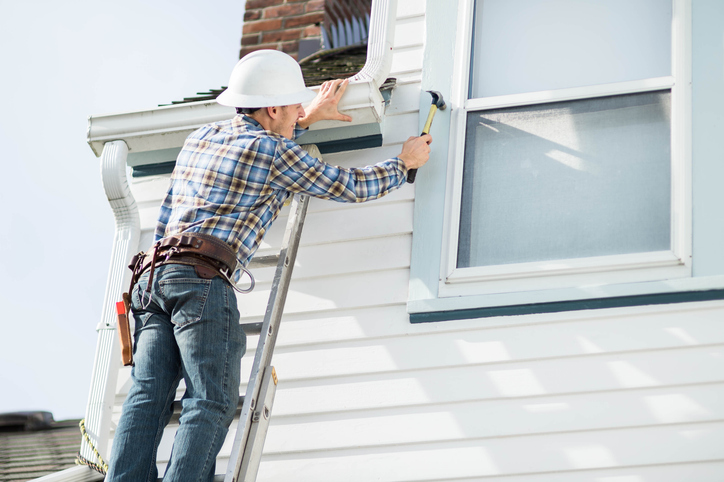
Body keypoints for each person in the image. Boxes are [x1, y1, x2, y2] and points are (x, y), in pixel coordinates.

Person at [106, 49, 431, 481]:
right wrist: (403, 163)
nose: (302, 110)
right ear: (273, 107)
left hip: (152, 278)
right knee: (210, 398)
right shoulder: (275, 153)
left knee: (148, 395)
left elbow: (260, 148)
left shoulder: (201, 137)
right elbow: (348, 185)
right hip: (200, 280)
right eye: (295, 104)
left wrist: (305, 118)